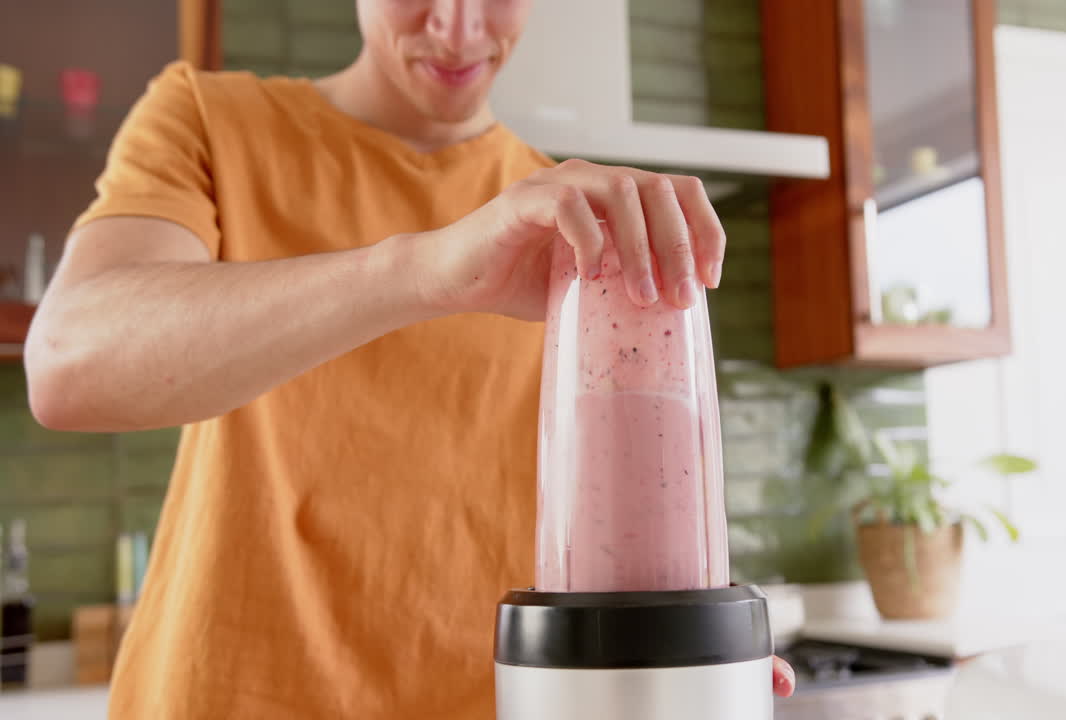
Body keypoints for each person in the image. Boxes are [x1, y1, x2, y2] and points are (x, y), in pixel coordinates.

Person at [24, 1, 795, 717]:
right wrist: (423, 271)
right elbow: (68, 364)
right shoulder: (208, 120)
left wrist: (675, 668)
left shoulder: (574, 228)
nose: (457, 28)